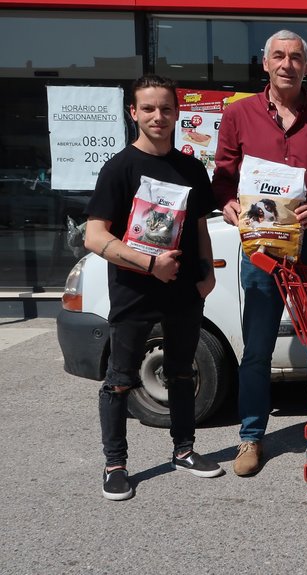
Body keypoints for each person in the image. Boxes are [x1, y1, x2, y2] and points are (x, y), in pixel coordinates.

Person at [212, 30, 307, 476]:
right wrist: (230, 205)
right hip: (261, 244)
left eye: (296, 57)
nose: (287, 64)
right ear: (265, 63)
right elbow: (222, 179)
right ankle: (251, 437)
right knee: (256, 346)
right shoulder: (238, 115)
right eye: (279, 56)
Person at [85, 74, 223, 501]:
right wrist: (149, 263)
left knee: (183, 373)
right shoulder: (119, 168)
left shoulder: (190, 167)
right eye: (148, 108)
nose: (158, 116)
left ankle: (184, 450)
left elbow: (199, 223)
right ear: (134, 113)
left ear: (177, 113)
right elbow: (94, 236)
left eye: (165, 108)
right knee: (119, 380)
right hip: (134, 291)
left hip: (183, 290)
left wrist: (207, 271)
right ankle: (115, 465)